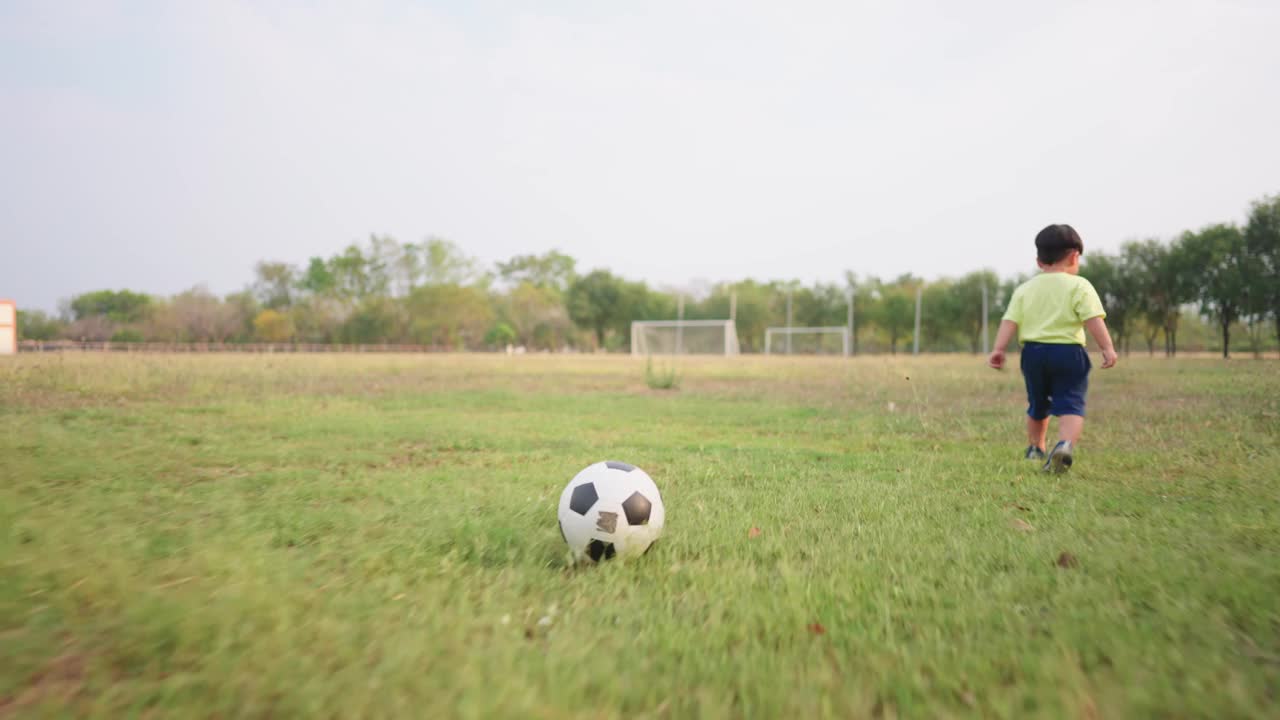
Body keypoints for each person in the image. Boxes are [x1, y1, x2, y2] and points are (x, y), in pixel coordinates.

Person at [988, 224, 1118, 473]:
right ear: (1074, 256)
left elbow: (1010, 321)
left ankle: (1036, 447)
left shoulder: (1025, 289)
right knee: (1071, 403)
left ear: (1039, 260)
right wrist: (1107, 347)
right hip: (1068, 353)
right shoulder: (1080, 286)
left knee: (1037, 403)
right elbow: (1093, 320)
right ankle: (1064, 444)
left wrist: (999, 349)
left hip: (1034, 354)